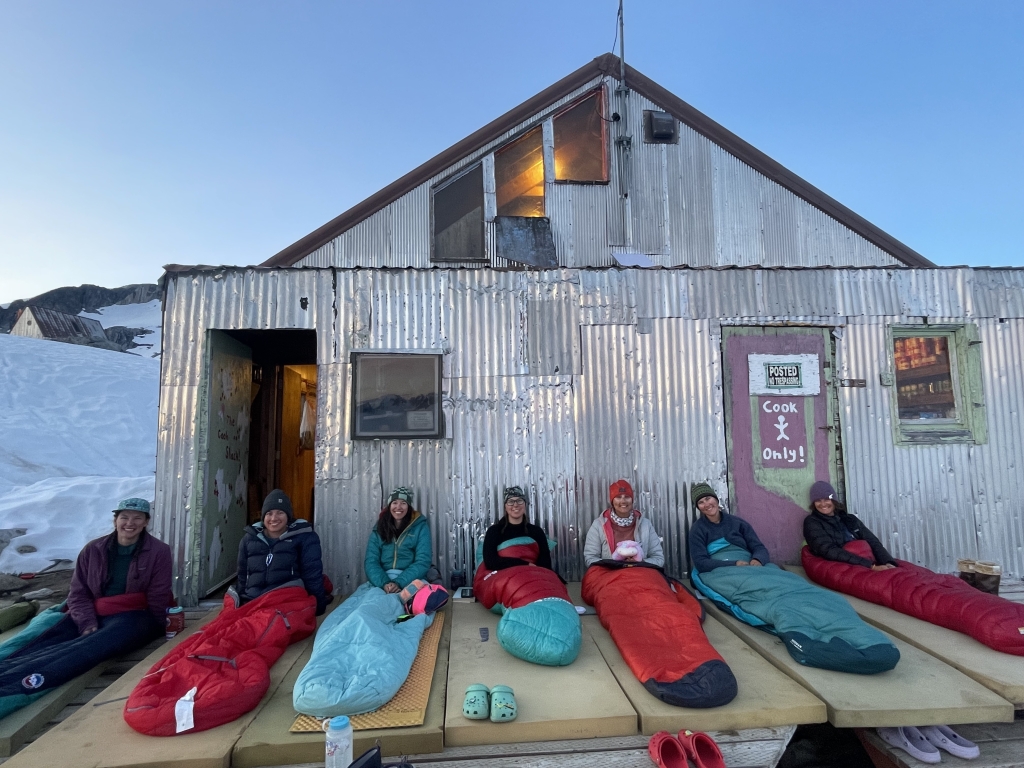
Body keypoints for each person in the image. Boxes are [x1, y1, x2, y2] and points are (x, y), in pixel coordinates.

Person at [1, 498, 171, 711]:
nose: (130, 523)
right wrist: (86, 620)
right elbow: (78, 592)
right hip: (92, 609)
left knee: (89, 646)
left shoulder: (158, 551)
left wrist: (161, 624)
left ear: (146, 522)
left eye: (137, 518)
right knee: (46, 640)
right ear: (115, 520)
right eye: (124, 517)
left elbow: (158, 593)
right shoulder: (93, 550)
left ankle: (13, 687)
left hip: (132, 613)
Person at [236, 489, 327, 615]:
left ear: (288, 516)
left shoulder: (304, 537)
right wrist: (239, 605)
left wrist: (318, 607)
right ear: (263, 517)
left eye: (280, 512)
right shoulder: (249, 539)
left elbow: (312, 574)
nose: (274, 518)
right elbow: (242, 576)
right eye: (269, 513)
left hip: (285, 603)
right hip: (253, 603)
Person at [803, 481, 897, 571]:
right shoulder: (812, 522)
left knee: (901, 573)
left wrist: (887, 562)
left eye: (827, 499)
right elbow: (828, 550)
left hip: (865, 559)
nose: (823, 504)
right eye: (818, 501)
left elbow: (872, 540)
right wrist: (871, 566)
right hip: (844, 564)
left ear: (833, 500)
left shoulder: (849, 519)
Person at [688, 483, 771, 574]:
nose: (706, 504)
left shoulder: (738, 523)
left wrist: (757, 559)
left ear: (716, 499)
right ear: (698, 508)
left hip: (749, 565)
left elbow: (759, 547)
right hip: (720, 571)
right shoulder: (697, 530)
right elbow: (701, 563)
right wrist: (734, 564)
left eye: (708, 499)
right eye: (701, 502)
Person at [364, 487, 432, 593]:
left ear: (409, 506)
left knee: (411, 602)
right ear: (389, 505)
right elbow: (371, 561)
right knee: (371, 600)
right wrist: (384, 583)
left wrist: (398, 582)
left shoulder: (420, 527)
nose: (398, 507)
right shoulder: (380, 528)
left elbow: (423, 561)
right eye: (394, 502)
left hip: (411, 579)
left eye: (403, 503)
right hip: (383, 579)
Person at [583, 479, 666, 567]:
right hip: (610, 575)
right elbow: (590, 558)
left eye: (627, 496)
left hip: (640, 574)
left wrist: (640, 562)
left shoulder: (645, 525)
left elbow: (658, 558)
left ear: (632, 500)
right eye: (618, 497)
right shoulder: (599, 525)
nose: (623, 501)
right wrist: (615, 565)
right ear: (612, 501)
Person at [482, 487, 554, 572]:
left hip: (533, 575)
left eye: (519, 500)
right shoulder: (494, 531)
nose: (515, 505)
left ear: (525, 504)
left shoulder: (536, 532)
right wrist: (524, 565)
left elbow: (545, 563)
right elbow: (490, 562)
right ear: (505, 506)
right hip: (506, 577)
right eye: (510, 502)